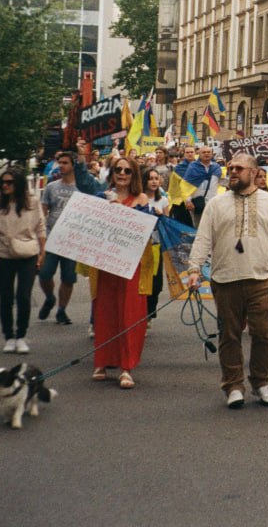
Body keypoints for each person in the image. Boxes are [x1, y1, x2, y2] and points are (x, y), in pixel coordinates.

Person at [186, 153, 268, 408]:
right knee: (229, 335)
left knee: (263, 333)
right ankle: (233, 385)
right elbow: (203, 238)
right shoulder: (216, 204)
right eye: (230, 167)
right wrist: (194, 268)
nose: (232, 171)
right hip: (226, 278)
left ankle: (261, 382)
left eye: (239, 168)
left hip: (262, 279)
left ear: (254, 173)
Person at [92, 157, 156, 389]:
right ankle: (102, 360)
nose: (122, 173)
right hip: (107, 264)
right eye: (118, 169)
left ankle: (126, 367)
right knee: (105, 311)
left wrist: (123, 213)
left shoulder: (141, 199)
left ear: (134, 175)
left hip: (133, 265)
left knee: (130, 314)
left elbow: (146, 230)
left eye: (127, 171)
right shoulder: (102, 197)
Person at [0, 169, 46, 355]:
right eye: (3, 182)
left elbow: (41, 227)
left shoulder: (32, 203)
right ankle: (9, 337)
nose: (5, 185)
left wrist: (43, 252)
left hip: (28, 254)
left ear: (18, 184)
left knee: (23, 296)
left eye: (9, 182)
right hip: (4, 256)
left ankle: (21, 335)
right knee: (5, 297)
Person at [37, 151, 80, 326]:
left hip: (72, 240)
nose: (61, 165)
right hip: (52, 238)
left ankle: (62, 310)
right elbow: (43, 212)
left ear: (73, 165)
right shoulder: (51, 187)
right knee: (44, 273)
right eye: (59, 162)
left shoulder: (81, 188)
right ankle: (49, 297)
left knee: (68, 278)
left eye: (65, 163)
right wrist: (39, 237)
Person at [142, 166, 170, 322]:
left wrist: (161, 217)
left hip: (156, 246)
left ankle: (150, 313)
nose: (153, 181)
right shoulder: (139, 198)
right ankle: (141, 315)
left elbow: (167, 224)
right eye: (150, 178)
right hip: (141, 247)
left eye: (156, 178)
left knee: (156, 284)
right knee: (142, 282)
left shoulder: (163, 200)